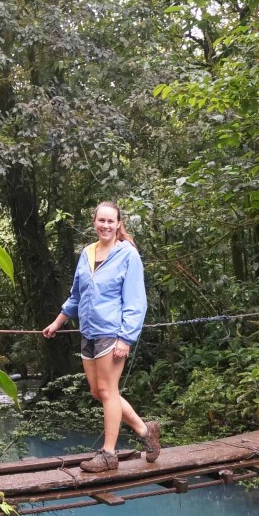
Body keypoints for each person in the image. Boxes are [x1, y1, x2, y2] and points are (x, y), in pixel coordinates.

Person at [42, 201, 161, 472]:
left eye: (111, 221)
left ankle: (109, 454)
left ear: (118, 224)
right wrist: (57, 322)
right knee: (98, 391)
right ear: (94, 222)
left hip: (113, 332)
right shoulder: (86, 253)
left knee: (108, 391)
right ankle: (145, 432)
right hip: (89, 331)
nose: (105, 225)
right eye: (101, 221)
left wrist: (126, 338)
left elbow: (135, 301)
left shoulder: (127, 255)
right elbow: (77, 295)